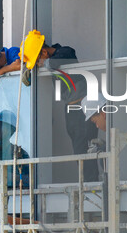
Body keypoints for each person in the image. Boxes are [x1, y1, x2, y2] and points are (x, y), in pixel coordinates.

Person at [21, 31, 99, 181]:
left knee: (87, 152)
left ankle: (92, 185)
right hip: (72, 110)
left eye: (38, 59)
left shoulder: (65, 52)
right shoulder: (48, 58)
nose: (39, 64)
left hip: (82, 108)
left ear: (44, 51)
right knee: (79, 153)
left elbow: (60, 58)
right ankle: (88, 184)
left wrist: (43, 64)